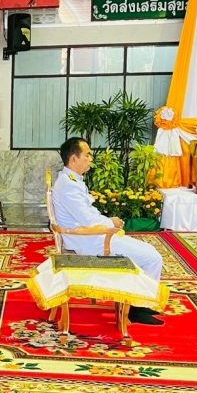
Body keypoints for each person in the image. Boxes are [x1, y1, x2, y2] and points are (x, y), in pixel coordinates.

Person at [51, 138, 165, 326]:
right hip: (90, 240)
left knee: (149, 252)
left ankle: (141, 302)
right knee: (152, 257)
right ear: (73, 159)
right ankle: (137, 308)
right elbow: (88, 220)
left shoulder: (70, 180)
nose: (90, 158)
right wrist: (111, 223)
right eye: (87, 155)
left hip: (94, 235)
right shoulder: (68, 185)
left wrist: (109, 222)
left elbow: (88, 214)